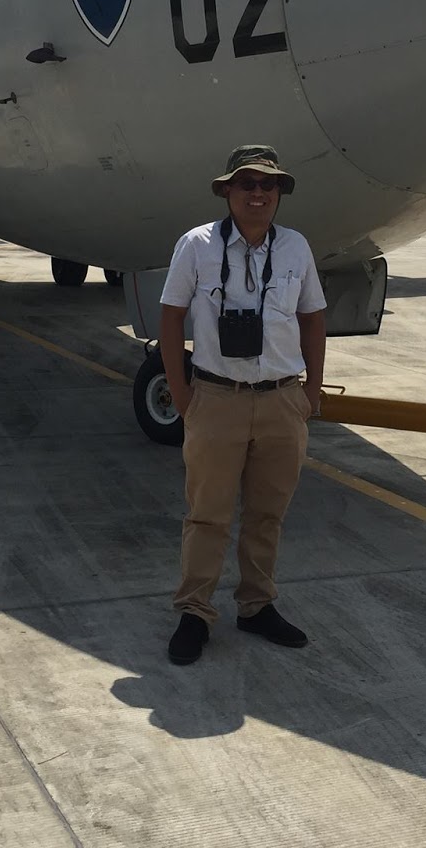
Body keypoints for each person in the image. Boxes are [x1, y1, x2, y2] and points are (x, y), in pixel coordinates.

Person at [158, 145, 327, 666]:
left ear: (278, 194)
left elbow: (313, 318)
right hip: (216, 397)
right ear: (227, 190)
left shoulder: (296, 248)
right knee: (207, 515)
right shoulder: (198, 245)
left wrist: (311, 391)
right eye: (247, 183)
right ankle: (194, 610)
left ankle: (256, 606)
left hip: (280, 400)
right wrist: (182, 394)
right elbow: (170, 317)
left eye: (268, 185)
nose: (258, 193)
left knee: (266, 515)